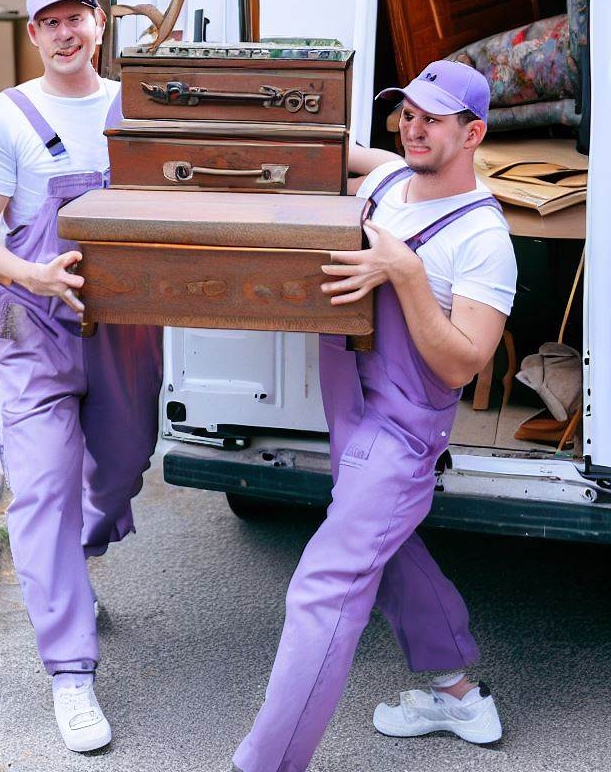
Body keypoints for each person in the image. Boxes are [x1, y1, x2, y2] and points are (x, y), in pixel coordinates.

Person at [233, 59, 517, 772]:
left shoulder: (482, 239)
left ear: (473, 132)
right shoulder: (392, 177)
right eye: (407, 113)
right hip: (349, 411)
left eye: (433, 118)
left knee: (322, 591)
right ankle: (457, 690)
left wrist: (406, 273)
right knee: (383, 544)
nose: (413, 127)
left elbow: (462, 362)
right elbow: (321, 148)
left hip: (400, 433)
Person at [0, 0, 162, 753]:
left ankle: (78, 559)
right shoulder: (3, 119)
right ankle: (71, 675)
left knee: (122, 468)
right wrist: (29, 271)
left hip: (128, 331)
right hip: (34, 330)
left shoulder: (136, 109)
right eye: (50, 23)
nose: (65, 32)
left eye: (76, 17)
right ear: (32, 35)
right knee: (41, 492)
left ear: (99, 25)